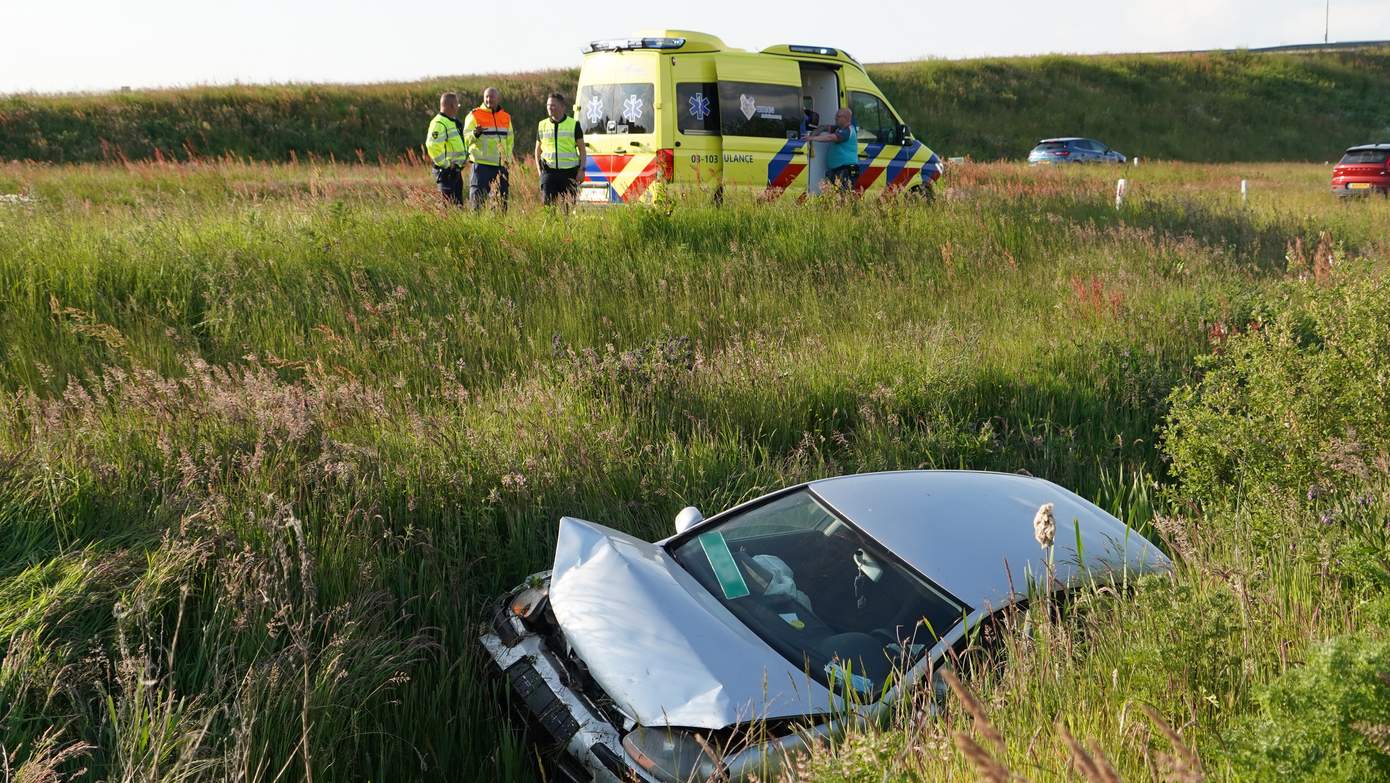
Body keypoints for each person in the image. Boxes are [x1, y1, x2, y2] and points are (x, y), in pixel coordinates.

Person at [463, 87, 514, 209]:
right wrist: (475, 134)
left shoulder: (506, 117)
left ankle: (498, 227)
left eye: (492, 97)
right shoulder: (474, 115)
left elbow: (510, 142)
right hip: (481, 166)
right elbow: (464, 140)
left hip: (501, 167)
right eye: (486, 96)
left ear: (498, 99)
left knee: (501, 205)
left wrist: (508, 161)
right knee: (477, 205)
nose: (489, 99)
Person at [534, 92, 586, 208]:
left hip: (569, 173)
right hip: (549, 173)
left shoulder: (574, 125)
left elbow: (582, 150)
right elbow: (537, 151)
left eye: (553, 105)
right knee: (548, 208)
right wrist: (540, 173)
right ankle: (550, 226)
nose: (549, 108)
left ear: (562, 107)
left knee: (568, 209)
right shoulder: (542, 125)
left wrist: (582, 170)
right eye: (548, 105)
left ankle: (566, 226)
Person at [424, 92, 468, 206]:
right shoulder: (439, 123)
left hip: (455, 171)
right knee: (447, 207)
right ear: (452, 105)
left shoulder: (452, 122)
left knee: (457, 207)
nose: (458, 107)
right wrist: (446, 165)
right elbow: (432, 146)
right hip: (445, 172)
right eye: (457, 104)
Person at [805, 107, 859, 193]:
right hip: (839, 169)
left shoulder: (847, 130)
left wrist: (812, 138)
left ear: (846, 118)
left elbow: (831, 137)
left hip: (846, 170)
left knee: (842, 196)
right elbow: (825, 127)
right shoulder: (839, 129)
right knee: (834, 196)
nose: (835, 118)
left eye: (838, 116)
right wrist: (815, 132)